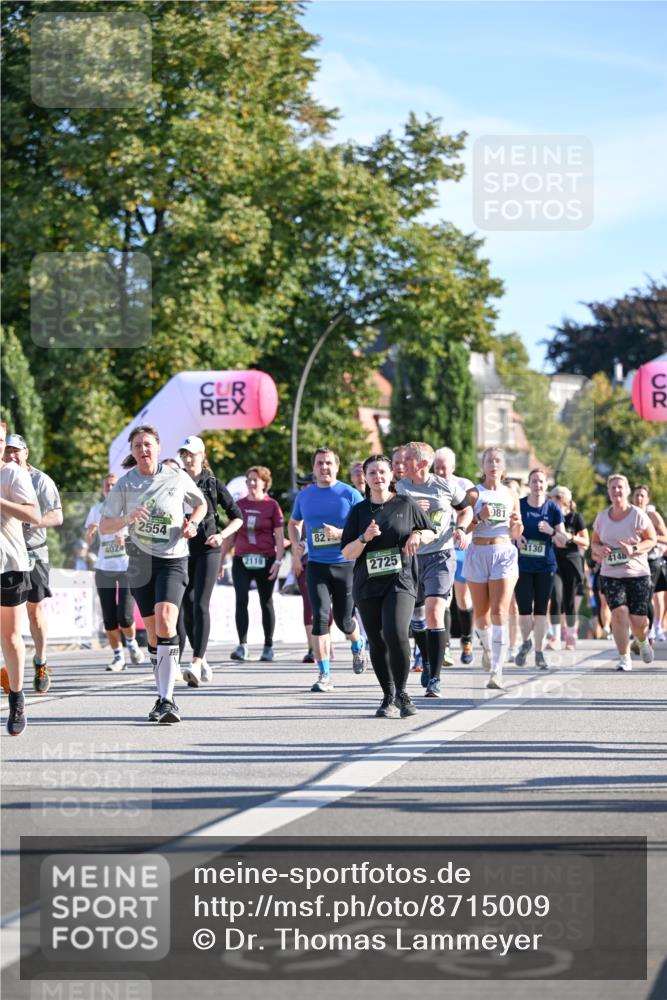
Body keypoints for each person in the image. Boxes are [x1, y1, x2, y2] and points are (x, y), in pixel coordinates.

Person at [100, 425, 207, 723]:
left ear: (158, 447)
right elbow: (105, 525)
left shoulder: (176, 476)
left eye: (148, 444)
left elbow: (201, 504)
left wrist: (193, 524)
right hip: (139, 560)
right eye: (137, 446)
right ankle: (161, 695)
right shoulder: (125, 484)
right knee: (152, 632)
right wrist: (127, 518)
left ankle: (168, 698)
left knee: (165, 619)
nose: (143, 450)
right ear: (132, 453)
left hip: (173, 559)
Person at [341, 455, 434, 718]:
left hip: (400, 580)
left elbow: (431, 531)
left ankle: (403, 692)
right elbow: (348, 552)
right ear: (366, 478)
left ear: (391, 474)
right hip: (367, 584)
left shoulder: (405, 503)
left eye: (382, 472)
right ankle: (388, 695)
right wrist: (364, 537)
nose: (378, 477)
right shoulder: (359, 511)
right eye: (372, 473)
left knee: (395, 633)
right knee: (377, 640)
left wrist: (417, 534)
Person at [395, 442, 473, 698]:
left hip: (441, 555)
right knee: (417, 618)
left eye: (406, 460)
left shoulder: (445, 486)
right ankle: (426, 659)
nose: (401, 464)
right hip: (411, 558)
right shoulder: (399, 487)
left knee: (435, 611)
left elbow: (466, 509)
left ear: (423, 463)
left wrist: (461, 529)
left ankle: (435, 679)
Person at [288, 446, 366, 692]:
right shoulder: (305, 496)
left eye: (328, 463)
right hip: (317, 565)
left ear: (337, 466)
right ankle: (324, 675)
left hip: (345, 564)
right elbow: (293, 523)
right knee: (319, 619)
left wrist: (341, 534)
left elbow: (366, 528)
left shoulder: (350, 494)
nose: (324, 467)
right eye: (319, 463)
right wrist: (296, 546)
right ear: (313, 468)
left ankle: (357, 644)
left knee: (344, 622)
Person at [175, 436, 243, 684]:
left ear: (203, 456)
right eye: (184, 454)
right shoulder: (175, 480)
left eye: (192, 454)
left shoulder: (213, 483)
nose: (188, 458)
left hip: (208, 549)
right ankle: (200, 658)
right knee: (185, 604)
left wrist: (221, 535)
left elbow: (238, 517)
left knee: (200, 603)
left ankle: (194, 662)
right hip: (181, 550)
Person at [3, 433, 63, 694]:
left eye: (17, 450)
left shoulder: (41, 480)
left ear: (26, 452)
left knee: (34, 612)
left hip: (34, 551)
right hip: (7, 555)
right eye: (8, 450)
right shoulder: (3, 475)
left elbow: (57, 516)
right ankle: (9, 669)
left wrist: (27, 520)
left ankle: (40, 660)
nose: (12, 455)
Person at [463, 447, 523, 690]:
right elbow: (463, 529)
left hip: (503, 552)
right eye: (489, 461)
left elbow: (517, 532)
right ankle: (488, 648)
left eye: (497, 461)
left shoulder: (511, 494)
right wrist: (479, 518)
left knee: (499, 610)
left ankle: (497, 671)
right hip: (478, 552)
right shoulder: (473, 495)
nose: (493, 465)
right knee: (482, 614)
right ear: (483, 466)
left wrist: (516, 524)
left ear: (503, 467)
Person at [591, 474, 656, 671]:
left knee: (638, 620)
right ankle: (624, 657)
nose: (617, 491)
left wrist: (634, 549)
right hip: (611, 574)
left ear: (627, 491)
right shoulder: (602, 517)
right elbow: (594, 542)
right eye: (613, 488)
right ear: (608, 492)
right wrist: (599, 550)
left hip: (637, 574)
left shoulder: (637, 514)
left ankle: (642, 641)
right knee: (619, 613)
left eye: (620, 487)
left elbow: (651, 539)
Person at [1, 421, 40, 736]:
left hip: (8, 564)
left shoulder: (12, 474)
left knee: (11, 638)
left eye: (1, 440)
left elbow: (34, 515)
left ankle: (16, 696)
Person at [222, 464, 283, 663]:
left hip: (266, 558)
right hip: (242, 559)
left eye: (255, 479)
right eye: (248, 480)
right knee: (241, 600)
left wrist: (279, 561)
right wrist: (222, 560)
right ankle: (242, 645)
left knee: (266, 601)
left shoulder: (272, 505)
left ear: (264, 483)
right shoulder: (238, 505)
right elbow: (230, 535)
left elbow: (280, 537)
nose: (251, 483)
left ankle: (268, 646)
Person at [85, 473, 145, 672]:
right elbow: (88, 541)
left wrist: (126, 541)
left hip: (127, 567)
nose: (110, 489)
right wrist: (91, 533)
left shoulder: (130, 510)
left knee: (125, 616)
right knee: (109, 617)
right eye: (107, 486)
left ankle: (132, 642)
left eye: (113, 485)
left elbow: (142, 539)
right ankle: (118, 656)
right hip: (104, 568)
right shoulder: (96, 510)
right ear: (103, 490)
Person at [513, 469, 565, 669]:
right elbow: (510, 530)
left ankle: (539, 652)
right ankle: (526, 642)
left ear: (546, 484)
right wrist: (517, 538)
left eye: (541, 482)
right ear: (529, 484)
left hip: (546, 567)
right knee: (525, 611)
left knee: (541, 612)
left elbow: (563, 540)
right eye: (534, 481)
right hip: (523, 565)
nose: (538, 485)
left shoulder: (553, 508)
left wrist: (551, 531)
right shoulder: (521, 505)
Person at [433, 447, 475, 665]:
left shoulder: (464, 485)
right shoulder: (428, 484)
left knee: (462, 597)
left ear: (453, 468)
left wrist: (465, 531)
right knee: (443, 598)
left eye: (444, 468)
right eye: (437, 468)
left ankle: (467, 640)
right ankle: (446, 646)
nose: (440, 472)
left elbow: (472, 515)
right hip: (438, 546)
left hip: (460, 546)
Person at [550, 485, 589, 651]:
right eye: (554, 498)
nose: (557, 501)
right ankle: (555, 637)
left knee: (570, 600)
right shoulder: (549, 517)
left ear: (566, 500)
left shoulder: (575, 517)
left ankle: (570, 636)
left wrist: (571, 537)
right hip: (554, 561)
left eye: (560, 498)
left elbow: (586, 542)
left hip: (572, 562)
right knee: (556, 597)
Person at [632, 485, 667, 644]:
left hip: (652, 560)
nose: (639, 498)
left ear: (647, 499)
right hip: (633, 561)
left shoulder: (653, 516)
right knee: (637, 597)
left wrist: (649, 537)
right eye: (637, 495)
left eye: (642, 496)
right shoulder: (628, 515)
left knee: (647, 595)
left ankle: (651, 630)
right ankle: (641, 629)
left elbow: (666, 538)